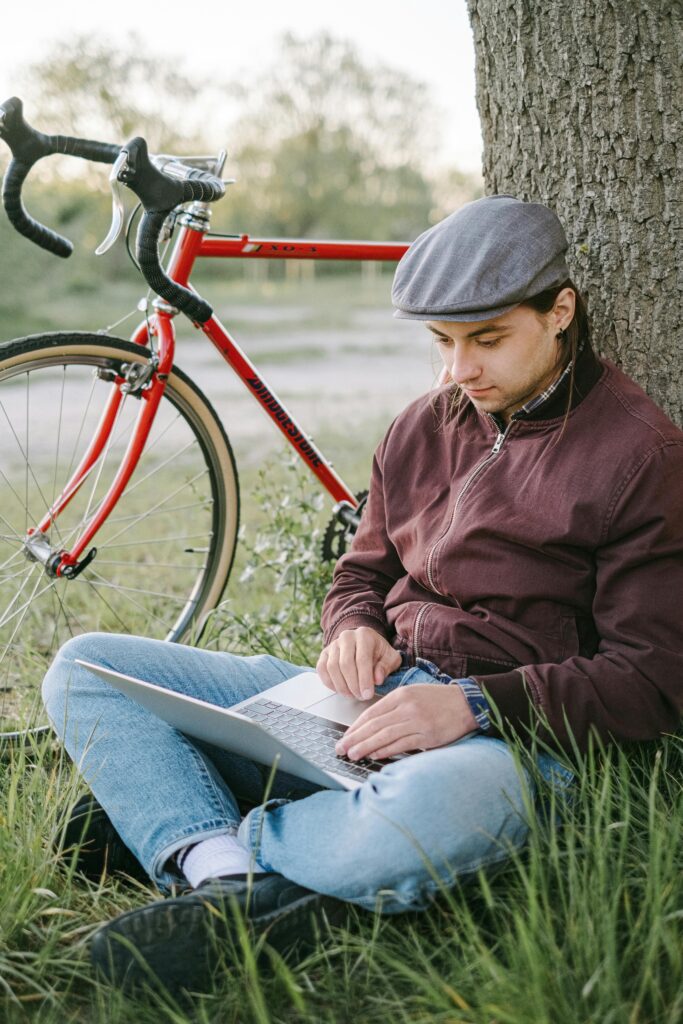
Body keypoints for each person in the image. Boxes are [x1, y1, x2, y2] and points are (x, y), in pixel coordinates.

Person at [42, 195, 683, 995]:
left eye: (486, 340)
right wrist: (351, 628)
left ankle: (197, 818)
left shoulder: (638, 454)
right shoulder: (420, 426)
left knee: (437, 812)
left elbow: (653, 676)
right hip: (365, 700)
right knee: (84, 666)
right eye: (441, 343)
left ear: (559, 312)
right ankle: (231, 876)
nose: (458, 371)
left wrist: (475, 707)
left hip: (506, 743)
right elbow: (361, 574)